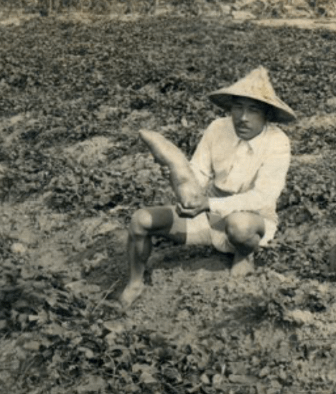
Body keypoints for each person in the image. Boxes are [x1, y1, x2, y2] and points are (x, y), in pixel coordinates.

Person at [121, 67, 295, 308]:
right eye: (238, 107)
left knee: (239, 225)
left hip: (253, 218)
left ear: (266, 115)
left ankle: (244, 253)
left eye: (253, 110)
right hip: (208, 215)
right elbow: (199, 173)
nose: (243, 117)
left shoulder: (278, 142)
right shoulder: (217, 128)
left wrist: (211, 203)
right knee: (140, 220)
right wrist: (178, 177)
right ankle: (135, 282)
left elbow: (263, 197)